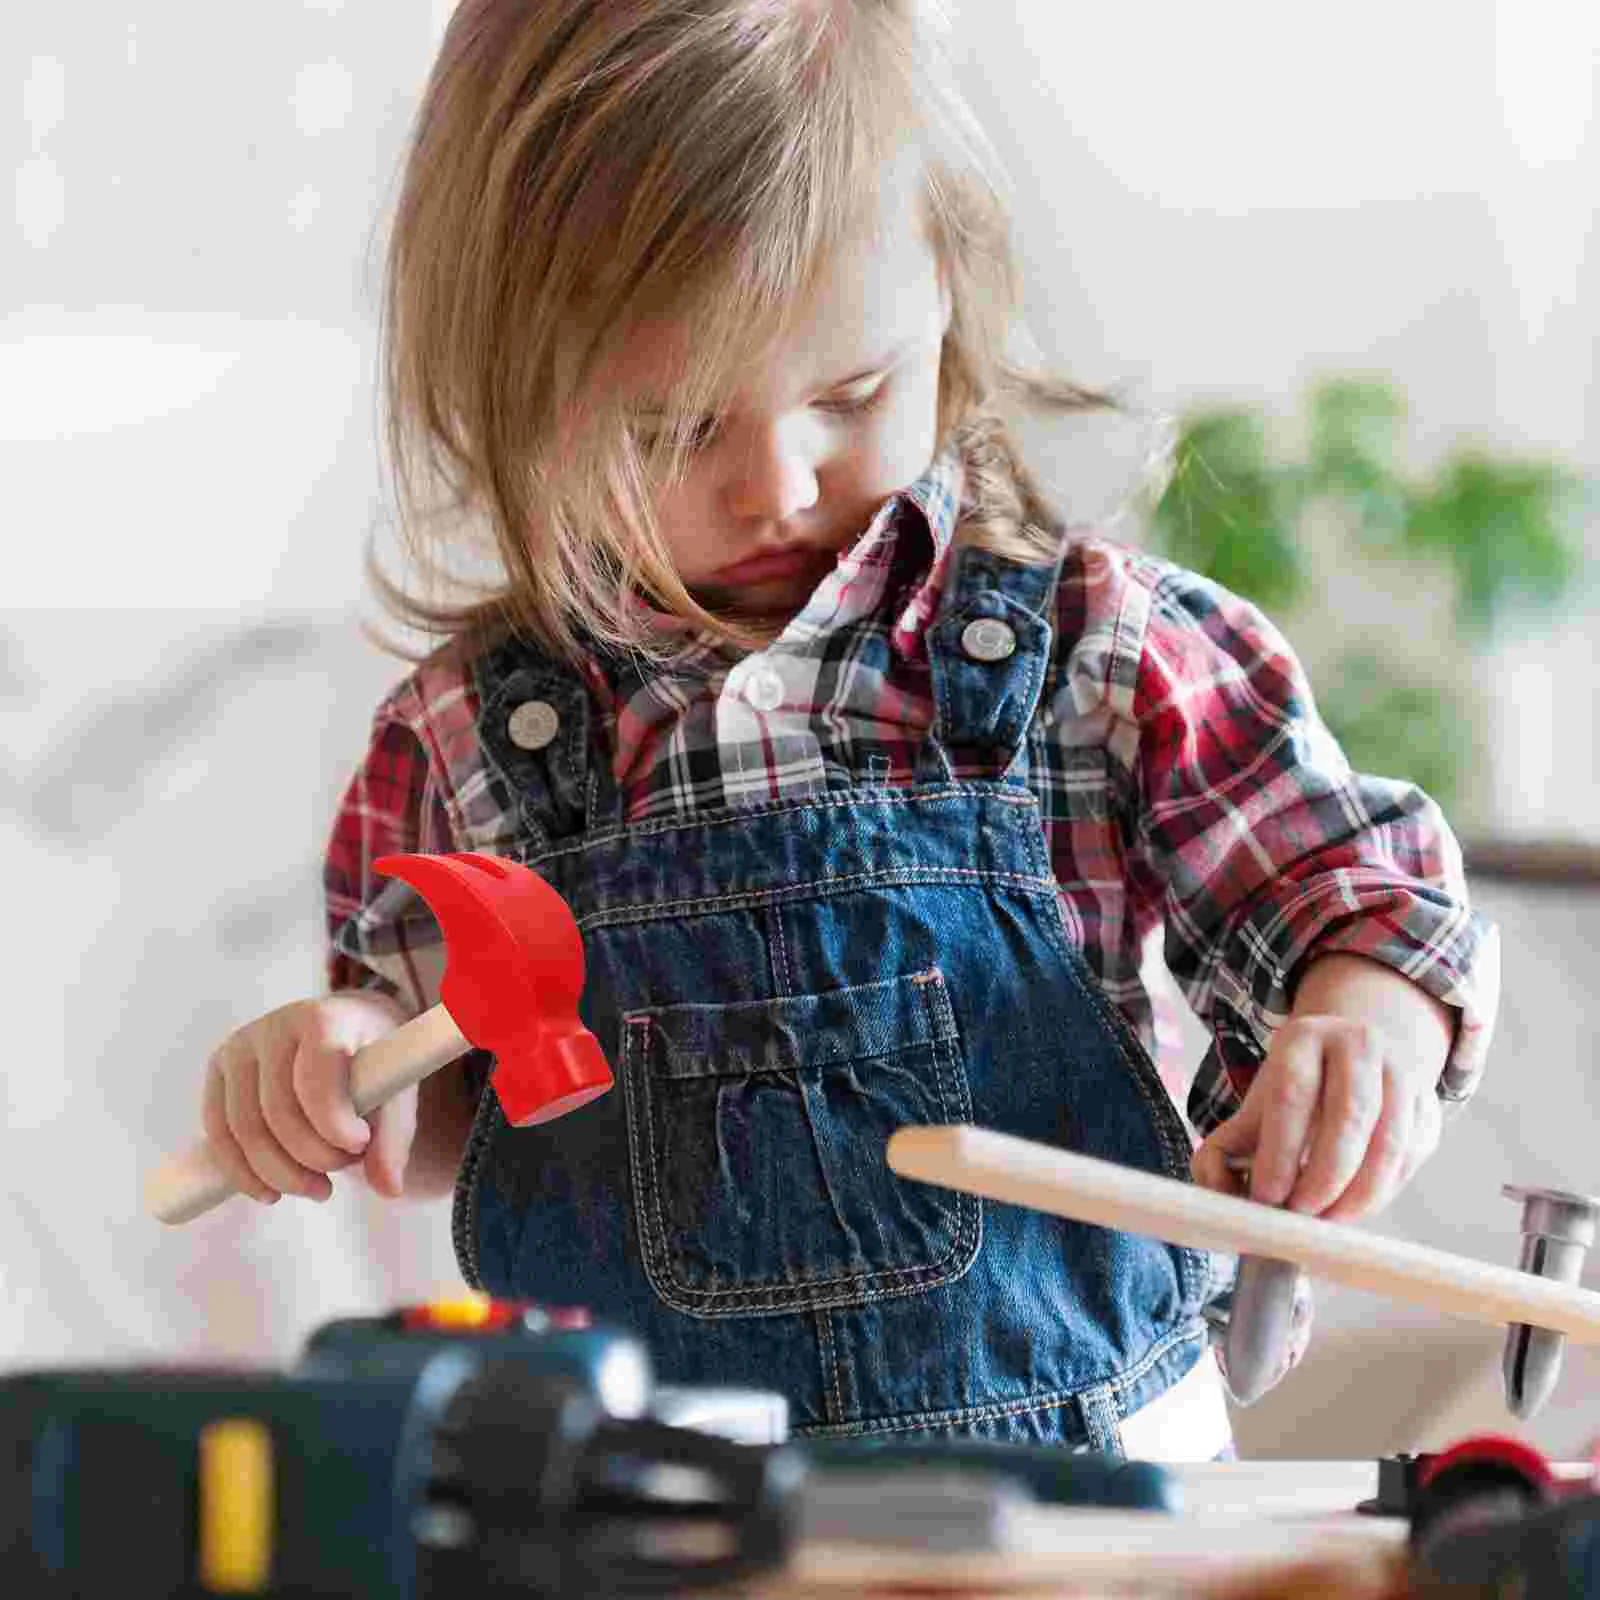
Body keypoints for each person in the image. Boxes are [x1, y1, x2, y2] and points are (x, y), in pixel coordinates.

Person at [195, 0, 1499, 1461]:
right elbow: (443, 1125)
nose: (776, 481)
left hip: (1089, 1487)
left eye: (850, 390)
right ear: (512, 386)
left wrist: (1362, 1029)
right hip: (643, 1504)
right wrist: (343, 1063)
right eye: (672, 428)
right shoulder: (466, 740)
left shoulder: (1097, 655)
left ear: (949, 290)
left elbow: (1361, 898)